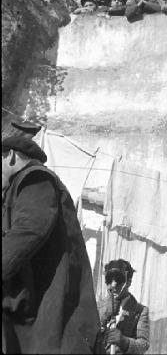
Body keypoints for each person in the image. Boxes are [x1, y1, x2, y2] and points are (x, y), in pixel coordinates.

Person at [2, 136, 100, 353]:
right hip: (35, 314)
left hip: (53, 317)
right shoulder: (15, 189)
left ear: (9, 157)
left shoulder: (35, 179)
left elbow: (28, 231)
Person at [97, 259, 149, 354]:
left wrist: (124, 341)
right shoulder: (98, 306)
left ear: (128, 282)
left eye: (118, 280)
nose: (113, 285)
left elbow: (144, 345)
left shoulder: (140, 311)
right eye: (109, 280)